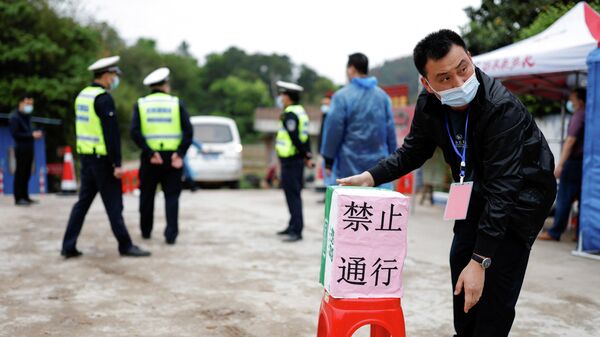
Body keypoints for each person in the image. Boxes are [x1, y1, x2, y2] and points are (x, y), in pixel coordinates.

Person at [337, 30, 557, 337]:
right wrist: (371, 176)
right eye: (444, 78)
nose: (459, 83)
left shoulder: (501, 109)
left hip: (519, 199)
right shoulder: (429, 104)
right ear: (428, 83)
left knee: (494, 284)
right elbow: (413, 151)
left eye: (463, 69)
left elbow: (504, 189)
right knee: (460, 264)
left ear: (470, 59)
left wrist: (481, 261)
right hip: (471, 192)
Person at [61, 56, 150, 258]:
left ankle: (68, 245)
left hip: (86, 158)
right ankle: (125, 245)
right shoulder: (103, 98)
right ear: (107, 76)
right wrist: (117, 164)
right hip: (102, 161)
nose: (115, 80)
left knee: (82, 204)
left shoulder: (83, 95)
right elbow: (111, 134)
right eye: (114, 75)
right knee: (114, 204)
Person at [130, 67, 193, 245]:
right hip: (172, 158)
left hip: (150, 158)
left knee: (147, 196)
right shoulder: (176, 103)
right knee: (172, 197)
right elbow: (188, 131)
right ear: (165, 85)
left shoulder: (141, 104)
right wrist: (180, 153)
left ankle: (146, 231)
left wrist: (150, 152)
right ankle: (171, 235)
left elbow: (134, 132)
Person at [321, 53, 397, 189]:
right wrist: (394, 160)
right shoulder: (383, 97)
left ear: (351, 69)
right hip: (379, 168)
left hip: (348, 164)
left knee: (350, 207)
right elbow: (391, 132)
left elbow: (333, 131)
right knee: (375, 207)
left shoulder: (341, 97)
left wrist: (328, 161)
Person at [539, 88, 587, 241]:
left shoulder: (579, 115)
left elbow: (570, 141)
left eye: (572, 99)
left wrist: (560, 164)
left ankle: (555, 232)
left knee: (564, 198)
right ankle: (580, 234)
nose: (570, 102)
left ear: (579, 100)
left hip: (573, 163)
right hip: (582, 163)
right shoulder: (588, 115)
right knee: (581, 199)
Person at [274, 81, 314, 242]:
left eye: (283, 94)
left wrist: (306, 156)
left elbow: (295, 138)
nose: (280, 97)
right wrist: (308, 155)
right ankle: (292, 225)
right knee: (293, 194)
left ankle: (296, 231)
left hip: (291, 160)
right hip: (295, 159)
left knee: (293, 195)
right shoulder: (300, 111)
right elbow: (306, 136)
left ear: (288, 97)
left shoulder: (289, 114)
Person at [9, 94, 42, 206]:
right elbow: (15, 134)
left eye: (31, 104)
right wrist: (31, 135)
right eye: (28, 103)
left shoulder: (27, 116)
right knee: (20, 173)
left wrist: (35, 134)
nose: (30, 106)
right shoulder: (15, 117)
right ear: (21, 103)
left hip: (29, 148)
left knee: (27, 173)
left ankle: (25, 196)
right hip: (21, 149)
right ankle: (18, 198)